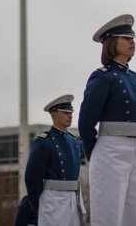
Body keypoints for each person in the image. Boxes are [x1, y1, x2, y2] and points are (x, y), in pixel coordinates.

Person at [78, 14, 136, 226]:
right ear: (112, 43)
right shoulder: (102, 77)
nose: (132, 42)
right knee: (108, 214)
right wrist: (97, 152)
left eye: (132, 38)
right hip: (110, 149)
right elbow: (85, 122)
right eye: (125, 38)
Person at [26, 95, 85, 226]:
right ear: (54, 114)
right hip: (53, 199)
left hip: (73, 197)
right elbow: (32, 176)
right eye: (65, 113)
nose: (70, 116)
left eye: (71, 113)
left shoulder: (75, 141)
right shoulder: (44, 142)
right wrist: (37, 204)